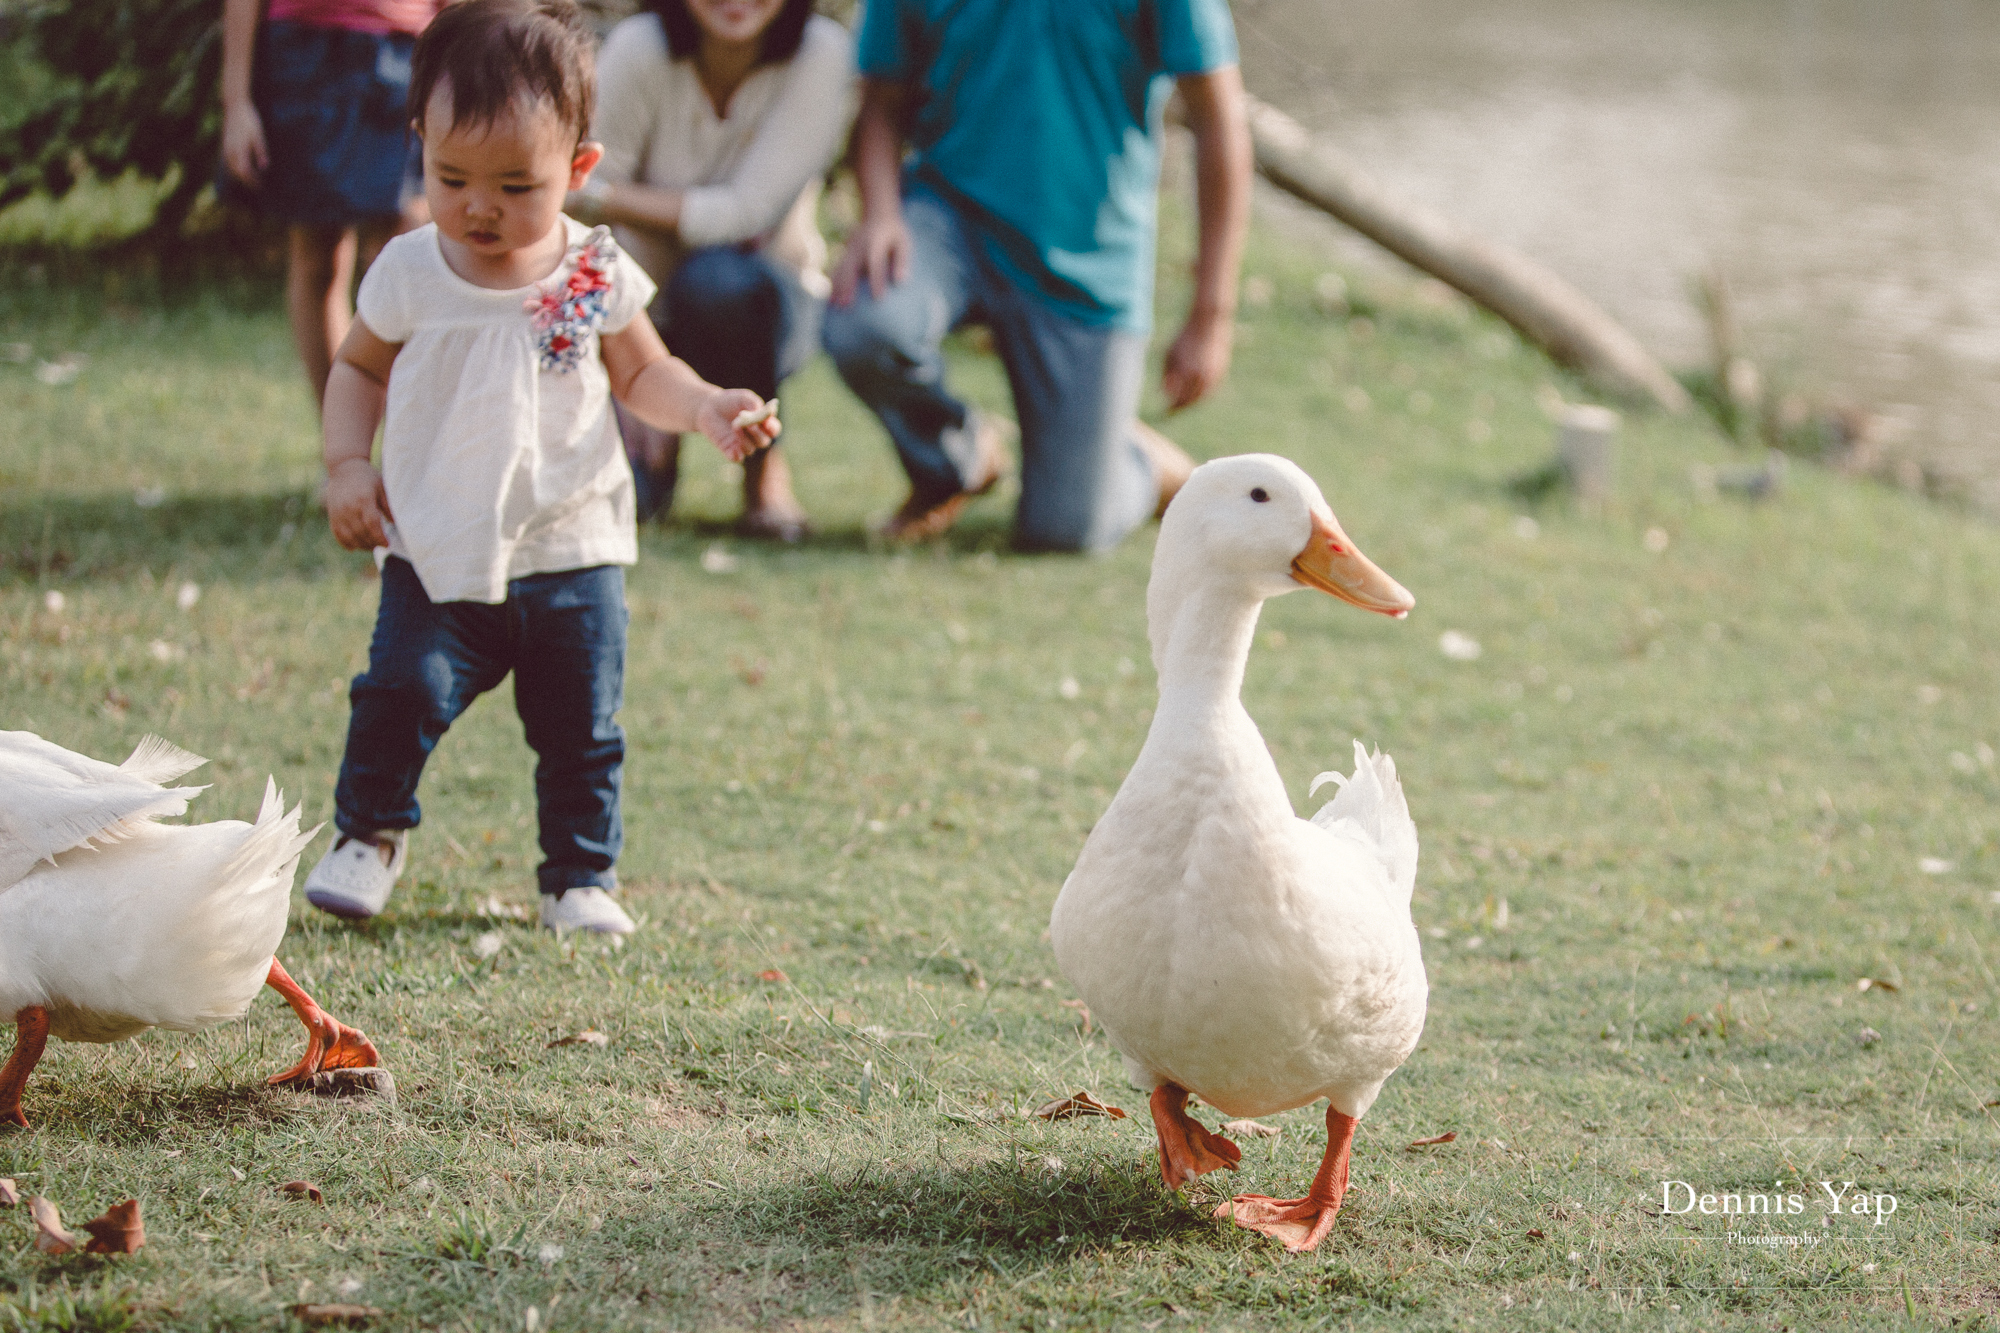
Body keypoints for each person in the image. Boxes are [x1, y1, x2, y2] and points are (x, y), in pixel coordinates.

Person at [299, 0, 782, 935]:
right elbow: (358, 367)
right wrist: (345, 464)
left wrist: (708, 407)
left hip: (574, 542)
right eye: (452, 176)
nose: (480, 206)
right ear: (421, 145)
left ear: (580, 169)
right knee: (399, 690)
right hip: (436, 540)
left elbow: (642, 370)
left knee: (582, 731)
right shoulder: (408, 271)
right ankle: (369, 834)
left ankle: (578, 877)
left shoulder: (592, 270)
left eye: (517, 185)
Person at [822, 0, 1251, 551]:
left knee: (1066, 530)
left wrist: (1211, 313)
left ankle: (1139, 464)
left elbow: (1219, 119)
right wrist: (879, 214)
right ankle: (959, 455)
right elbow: (882, 102)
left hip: (1088, 256)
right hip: (949, 221)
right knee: (868, 320)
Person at [569, 0, 853, 542]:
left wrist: (610, 199)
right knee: (631, 506)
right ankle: (650, 434)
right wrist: (628, 354)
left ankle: (764, 468)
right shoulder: (638, 48)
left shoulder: (820, 54)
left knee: (719, 279)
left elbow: (745, 214)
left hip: (765, 304)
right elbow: (581, 210)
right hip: (643, 308)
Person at [220, 0, 441, 407]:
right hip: (300, 55)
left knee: (408, 249)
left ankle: (411, 443)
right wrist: (236, 102)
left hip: (404, 50)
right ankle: (341, 448)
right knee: (317, 257)